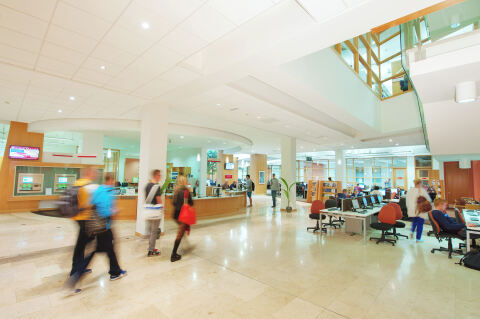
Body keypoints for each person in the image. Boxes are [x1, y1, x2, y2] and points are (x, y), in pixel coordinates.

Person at [65, 174, 127, 294]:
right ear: (111, 180)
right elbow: (104, 211)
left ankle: (116, 271)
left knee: (109, 249)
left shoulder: (98, 189)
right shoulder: (108, 192)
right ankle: (74, 279)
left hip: (94, 226)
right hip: (103, 228)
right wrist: (113, 211)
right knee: (98, 251)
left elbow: (89, 205)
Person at [69, 167, 99, 278]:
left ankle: (79, 268)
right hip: (86, 219)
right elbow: (92, 203)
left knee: (82, 243)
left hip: (76, 217)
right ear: (89, 173)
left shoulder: (77, 183)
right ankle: (75, 274)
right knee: (88, 244)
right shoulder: (89, 186)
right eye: (94, 173)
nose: (95, 175)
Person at [171, 176, 194, 262]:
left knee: (182, 230)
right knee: (180, 234)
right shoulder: (186, 191)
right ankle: (173, 255)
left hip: (175, 215)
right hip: (183, 215)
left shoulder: (176, 191)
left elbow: (173, 203)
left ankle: (186, 245)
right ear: (184, 182)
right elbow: (191, 203)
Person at [145, 169, 163, 257]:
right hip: (155, 211)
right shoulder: (156, 186)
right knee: (154, 231)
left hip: (148, 211)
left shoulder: (147, 185)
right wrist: (163, 208)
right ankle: (151, 250)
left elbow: (146, 198)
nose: (160, 177)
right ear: (156, 176)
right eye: (159, 175)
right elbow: (158, 199)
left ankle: (150, 247)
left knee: (150, 230)